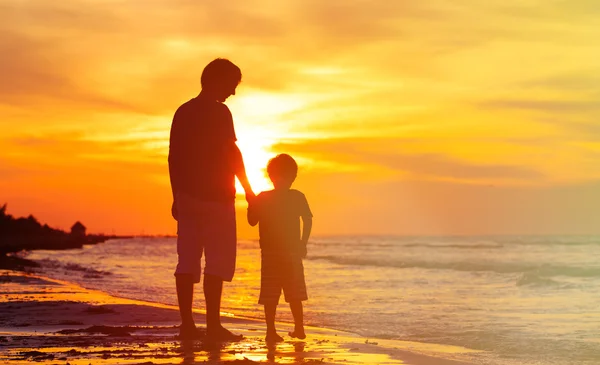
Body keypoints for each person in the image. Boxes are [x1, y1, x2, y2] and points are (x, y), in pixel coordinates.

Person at [168, 58, 254, 341]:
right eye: (232, 84)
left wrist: (176, 195)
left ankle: (188, 325)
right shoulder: (220, 113)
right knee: (217, 261)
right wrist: (249, 191)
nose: (233, 92)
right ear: (217, 80)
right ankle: (213, 326)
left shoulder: (182, 111)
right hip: (217, 198)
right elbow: (232, 154)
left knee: (187, 260)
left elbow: (174, 159)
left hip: (189, 197)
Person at [247, 154, 313, 342]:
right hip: (285, 251)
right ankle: (293, 328)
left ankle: (275, 330)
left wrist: (303, 243)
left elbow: (251, 221)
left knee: (276, 292)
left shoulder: (266, 197)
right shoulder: (296, 196)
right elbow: (307, 220)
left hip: (274, 253)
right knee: (291, 292)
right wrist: (303, 242)